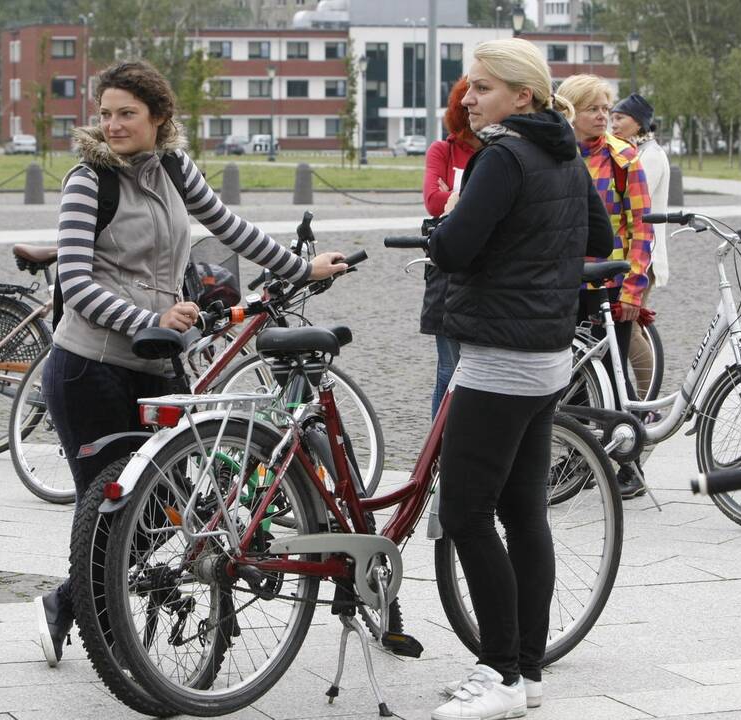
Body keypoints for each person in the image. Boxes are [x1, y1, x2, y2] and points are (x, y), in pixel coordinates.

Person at [33, 59, 348, 667]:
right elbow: (74, 282)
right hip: (89, 365)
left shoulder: (175, 168)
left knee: (160, 510)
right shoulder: (88, 181)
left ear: (159, 118)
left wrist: (297, 267)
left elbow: (228, 226)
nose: (114, 125)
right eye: (106, 114)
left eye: (128, 114)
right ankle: (106, 632)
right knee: (107, 513)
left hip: (157, 362)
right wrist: (147, 320)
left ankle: (70, 602)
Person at [427, 39, 612, 720]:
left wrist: (441, 224)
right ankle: (526, 673)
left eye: (481, 88)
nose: (468, 99)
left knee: (466, 515)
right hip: (545, 357)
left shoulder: (501, 157)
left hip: (498, 357)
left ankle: (499, 673)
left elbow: (454, 248)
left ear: (521, 96)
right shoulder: (563, 153)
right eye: (469, 88)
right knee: (523, 514)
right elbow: (597, 238)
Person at [556, 74, 654, 499]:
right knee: (570, 375)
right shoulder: (557, 155)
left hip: (610, 282)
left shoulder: (624, 157)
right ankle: (580, 457)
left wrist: (633, 289)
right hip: (563, 279)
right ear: (571, 111)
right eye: (593, 108)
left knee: (615, 378)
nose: (602, 117)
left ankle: (628, 465)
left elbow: (641, 228)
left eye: (605, 108)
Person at [421, 77, 481, 417]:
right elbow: (433, 201)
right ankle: (437, 444)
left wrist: (456, 197)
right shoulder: (442, 150)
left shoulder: (494, 149)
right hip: (446, 269)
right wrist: (462, 199)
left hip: (480, 266)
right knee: (448, 366)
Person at [610, 93, 669, 399]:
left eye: (620, 118)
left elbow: (635, 204)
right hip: (634, 253)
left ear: (638, 122)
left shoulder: (650, 156)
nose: (614, 123)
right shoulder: (636, 151)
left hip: (643, 256)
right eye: (614, 117)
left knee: (629, 329)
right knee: (630, 329)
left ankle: (647, 399)